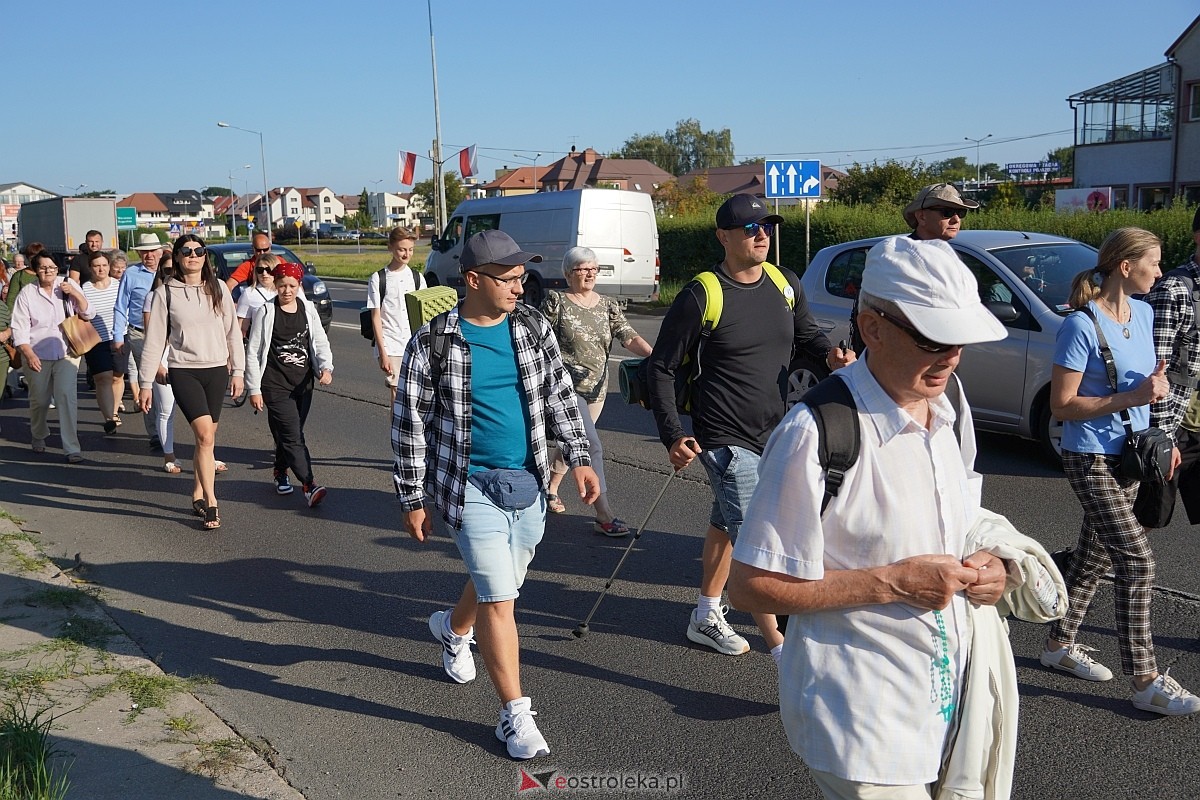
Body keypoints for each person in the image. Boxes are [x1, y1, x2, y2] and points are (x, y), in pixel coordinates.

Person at [728, 236, 1011, 798]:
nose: (951, 356)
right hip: (862, 719)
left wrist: (992, 566)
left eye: (960, 340)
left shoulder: (949, 408)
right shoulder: (816, 432)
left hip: (944, 703)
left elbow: (962, 520)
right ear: (872, 327)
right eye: (933, 338)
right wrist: (892, 583)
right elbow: (750, 586)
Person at [393, 229, 599, 760]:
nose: (518, 287)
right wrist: (411, 496)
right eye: (507, 279)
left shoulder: (531, 327)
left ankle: (452, 629)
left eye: (521, 277)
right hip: (467, 485)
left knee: (501, 582)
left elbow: (558, 395)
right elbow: (409, 423)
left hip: (528, 481)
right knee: (501, 599)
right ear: (473, 280)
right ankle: (514, 715)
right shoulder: (433, 342)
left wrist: (579, 457)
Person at [646, 193, 853, 662]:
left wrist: (830, 356)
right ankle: (784, 651)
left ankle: (705, 613)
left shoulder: (784, 282)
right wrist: (672, 434)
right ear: (724, 237)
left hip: (775, 433)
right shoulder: (702, 293)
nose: (762, 236)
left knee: (726, 523)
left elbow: (807, 336)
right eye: (751, 229)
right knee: (757, 543)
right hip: (723, 436)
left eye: (767, 227)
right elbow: (661, 366)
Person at [1041, 226, 1200, 716]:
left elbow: (1152, 383)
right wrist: (1132, 396)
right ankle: (1146, 680)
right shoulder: (1080, 325)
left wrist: (1160, 430)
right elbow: (1062, 406)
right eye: (1154, 262)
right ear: (1126, 266)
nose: (1160, 270)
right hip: (1088, 456)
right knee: (1137, 560)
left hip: (1131, 453)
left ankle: (1058, 645)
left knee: (1093, 557)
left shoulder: (1145, 313)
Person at [540, 246, 652, 534]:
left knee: (571, 442)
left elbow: (628, 336)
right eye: (582, 269)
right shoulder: (556, 302)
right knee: (591, 445)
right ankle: (604, 514)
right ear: (568, 274)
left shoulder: (607, 305)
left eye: (593, 269)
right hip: (566, 389)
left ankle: (550, 489)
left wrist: (656, 357)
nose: (589, 274)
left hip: (597, 389)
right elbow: (538, 338)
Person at [139, 235, 244, 530]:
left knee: (206, 439)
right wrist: (145, 382)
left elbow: (233, 332)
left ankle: (197, 491)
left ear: (205, 256)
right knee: (205, 436)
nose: (193, 256)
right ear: (177, 256)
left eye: (199, 251)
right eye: (186, 251)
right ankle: (211, 502)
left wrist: (238, 371)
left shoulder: (218, 288)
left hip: (216, 370)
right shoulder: (165, 293)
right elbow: (154, 340)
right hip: (184, 371)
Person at [849, 183, 980, 352]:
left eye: (961, 212)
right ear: (921, 216)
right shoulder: (895, 257)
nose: (956, 219)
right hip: (899, 358)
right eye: (947, 212)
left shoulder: (953, 258)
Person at [245, 262, 334, 506]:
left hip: (303, 384)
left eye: (292, 286)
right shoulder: (266, 311)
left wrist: (326, 367)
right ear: (275, 285)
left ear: (299, 285)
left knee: (289, 433)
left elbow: (320, 341)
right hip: (274, 384)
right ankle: (309, 485)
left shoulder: (308, 309)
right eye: (282, 285)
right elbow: (253, 351)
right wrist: (254, 388)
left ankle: (280, 470)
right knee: (293, 435)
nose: (287, 290)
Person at [1145, 206, 1200, 523]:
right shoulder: (1173, 290)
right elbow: (1155, 369)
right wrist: (1164, 437)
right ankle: (1092, 555)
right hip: (1177, 425)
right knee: (1148, 519)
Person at [11, 252, 91, 462]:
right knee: (40, 400)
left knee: (66, 397)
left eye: (52, 267)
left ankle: (72, 448)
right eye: (43, 267)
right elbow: (19, 328)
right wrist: (28, 354)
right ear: (35, 270)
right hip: (36, 354)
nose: (48, 271)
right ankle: (38, 434)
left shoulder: (67, 285)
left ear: (58, 268)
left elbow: (88, 313)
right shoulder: (27, 294)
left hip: (67, 353)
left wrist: (75, 294)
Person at [113, 234, 166, 446]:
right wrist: (118, 337)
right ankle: (155, 433)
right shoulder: (131, 274)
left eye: (152, 251)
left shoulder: (171, 271)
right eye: (144, 252)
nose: (149, 255)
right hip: (140, 334)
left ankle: (167, 426)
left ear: (160, 252)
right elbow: (120, 306)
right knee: (149, 381)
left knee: (169, 383)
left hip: (169, 336)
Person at [368, 227, 425, 405]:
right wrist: (383, 353)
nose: (407, 254)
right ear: (390, 247)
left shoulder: (417, 278)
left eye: (410, 249)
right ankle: (396, 425)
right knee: (397, 395)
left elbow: (424, 315)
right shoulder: (379, 278)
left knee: (415, 395)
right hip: (392, 345)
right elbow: (375, 317)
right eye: (402, 249)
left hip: (414, 344)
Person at [80, 250, 122, 434]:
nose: (101, 269)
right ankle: (109, 418)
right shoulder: (85, 289)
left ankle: (114, 410)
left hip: (119, 337)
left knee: (117, 377)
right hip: (96, 340)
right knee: (102, 378)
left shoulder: (119, 285)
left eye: (104, 265)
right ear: (90, 268)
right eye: (96, 266)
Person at [224, 231, 298, 292]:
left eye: (265, 250)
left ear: (270, 247)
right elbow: (229, 285)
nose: (262, 253)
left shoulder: (280, 261)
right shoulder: (247, 266)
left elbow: (294, 280)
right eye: (258, 250)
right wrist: (231, 303)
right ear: (253, 248)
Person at [236, 253, 278, 337]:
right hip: (260, 341)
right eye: (260, 270)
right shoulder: (249, 294)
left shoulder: (285, 291)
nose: (264, 273)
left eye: (268, 269)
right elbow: (241, 328)